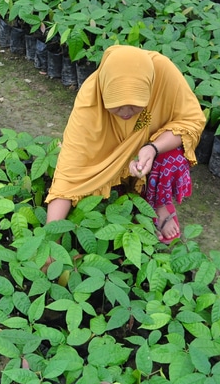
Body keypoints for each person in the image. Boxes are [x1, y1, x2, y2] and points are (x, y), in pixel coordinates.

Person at [45, 45, 206, 244]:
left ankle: (159, 205)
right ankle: (128, 191)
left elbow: (191, 121)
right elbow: (69, 172)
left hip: (150, 152)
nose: (126, 112)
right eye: (117, 105)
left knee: (171, 157)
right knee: (104, 195)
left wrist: (152, 148)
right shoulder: (90, 100)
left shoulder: (162, 72)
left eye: (135, 104)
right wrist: (50, 239)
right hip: (112, 163)